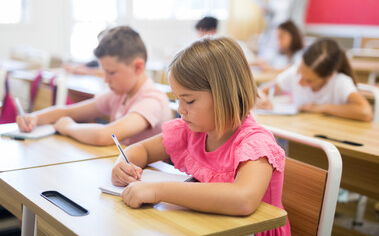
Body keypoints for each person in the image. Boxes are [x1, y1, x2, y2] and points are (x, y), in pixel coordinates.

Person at [111, 37, 290, 236]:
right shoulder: (191, 132)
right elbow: (142, 149)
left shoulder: (255, 143)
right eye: (177, 99)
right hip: (210, 227)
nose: (180, 109)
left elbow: (243, 199)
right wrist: (123, 164)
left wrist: (158, 191)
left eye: (189, 101)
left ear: (225, 95)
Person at [16, 26, 172, 146]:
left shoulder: (152, 100)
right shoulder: (120, 94)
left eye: (111, 73)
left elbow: (105, 135)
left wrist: (69, 127)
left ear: (138, 67)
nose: (105, 80)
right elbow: (70, 111)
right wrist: (35, 117)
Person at [258, 38, 373, 122]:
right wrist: (263, 100)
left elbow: (365, 112)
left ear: (329, 76)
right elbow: (262, 91)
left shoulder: (339, 82)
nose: (299, 81)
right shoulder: (294, 72)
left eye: (309, 81)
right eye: (300, 72)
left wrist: (322, 108)